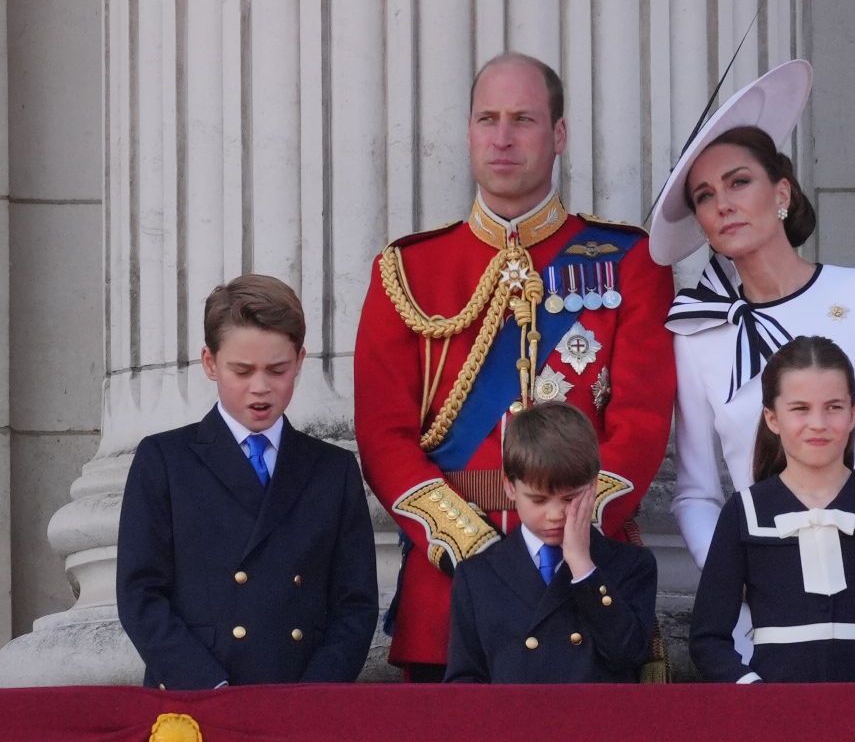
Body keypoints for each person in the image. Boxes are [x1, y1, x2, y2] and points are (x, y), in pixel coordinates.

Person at [354, 52, 675, 680]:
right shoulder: (407, 271)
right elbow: (382, 435)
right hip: (449, 592)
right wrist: (472, 550)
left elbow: (639, 422)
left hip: (585, 579)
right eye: (487, 119)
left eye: (523, 119)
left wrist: (569, 535)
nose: (502, 138)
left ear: (558, 135)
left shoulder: (631, 260)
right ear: (469, 131)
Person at [648, 60, 855, 659]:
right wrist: (749, 565)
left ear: (781, 192)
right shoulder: (697, 333)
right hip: (753, 623)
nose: (723, 204)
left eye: (739, 183)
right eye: (706, 196)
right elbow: (697, 494)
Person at [117, 274, 378, 689]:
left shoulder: (333, 470)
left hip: (298, 704)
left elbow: (355, 605)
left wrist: (312, 698)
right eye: (242, 370)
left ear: (300, 360)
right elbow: (140, 595)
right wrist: (208, 689)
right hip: (196, 699)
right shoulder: (165, 460)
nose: (260, 388)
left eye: (278, 370)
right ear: (209, 363)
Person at [689, 336, 855, 682]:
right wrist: (754, 693)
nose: (819, 423)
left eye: (834, 407)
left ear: (854, 414)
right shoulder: (744, 511)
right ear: (772, 418)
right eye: (800, 408)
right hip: (774, 718)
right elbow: (707, 638)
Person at [445, 402, 657, 683]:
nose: (555, 515)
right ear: (510, 486)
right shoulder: (478, 575)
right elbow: (465, 682)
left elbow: (628, 654)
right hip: (512, 723)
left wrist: (584, 568)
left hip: (597, 723)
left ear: (594, 486)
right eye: (539, 500)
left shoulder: (630, 565)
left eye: (570, 499)